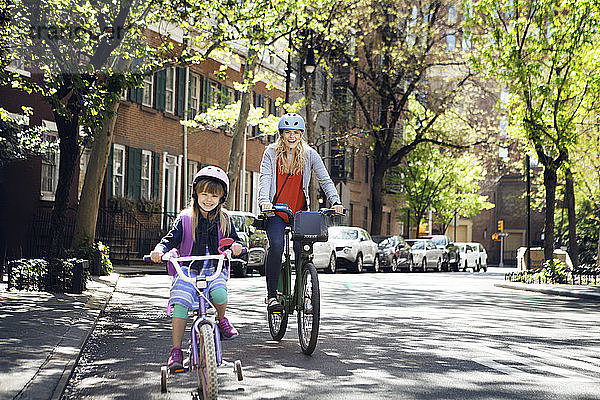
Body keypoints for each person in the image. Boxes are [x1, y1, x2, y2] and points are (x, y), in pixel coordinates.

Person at [150, 165, 245, 372]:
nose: (208, 199)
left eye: (214, 195)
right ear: (196, 193)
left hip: (214, 269)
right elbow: (169, 240)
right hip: (187, 271)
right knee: (181, 304)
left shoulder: (225, 219)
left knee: (220, 294)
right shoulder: (185, 218)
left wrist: (237, 248)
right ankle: (176, 350)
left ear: (221, 198)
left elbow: (235, 242)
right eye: (204, 194)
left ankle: (221, 320)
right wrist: (159, 250)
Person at [258, 113, 344, 312]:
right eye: (287, 132)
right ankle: (272, 296)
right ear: (281, 134)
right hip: (276, 211)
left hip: (299, 213)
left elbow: (325, 179)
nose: (292, 137)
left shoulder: (309, 154)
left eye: (295, 133)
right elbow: (265, 179)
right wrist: (264, 201)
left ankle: (301, 293)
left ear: (301, 134)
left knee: (302, 252)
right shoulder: (271, 153)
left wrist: (336, 201)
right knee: (277, 246)